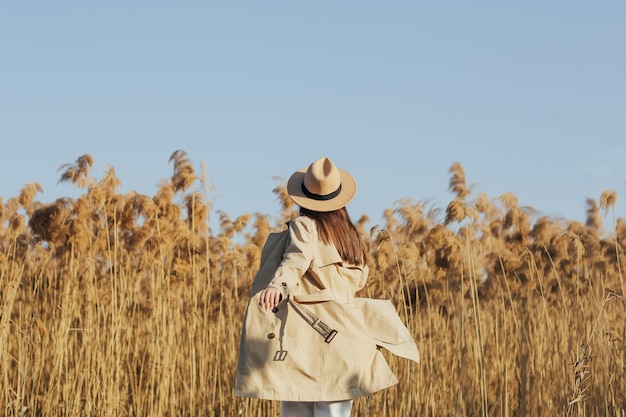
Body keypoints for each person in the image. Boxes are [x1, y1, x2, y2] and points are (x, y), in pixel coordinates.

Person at [235, 157, 419, 417]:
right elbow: (358, 280)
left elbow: (296, 259)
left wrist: (278, 285)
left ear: (303, 197)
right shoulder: (349, 237)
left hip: (307, 342)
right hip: (346, 338)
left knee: (296, 410)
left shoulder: (304, 225)